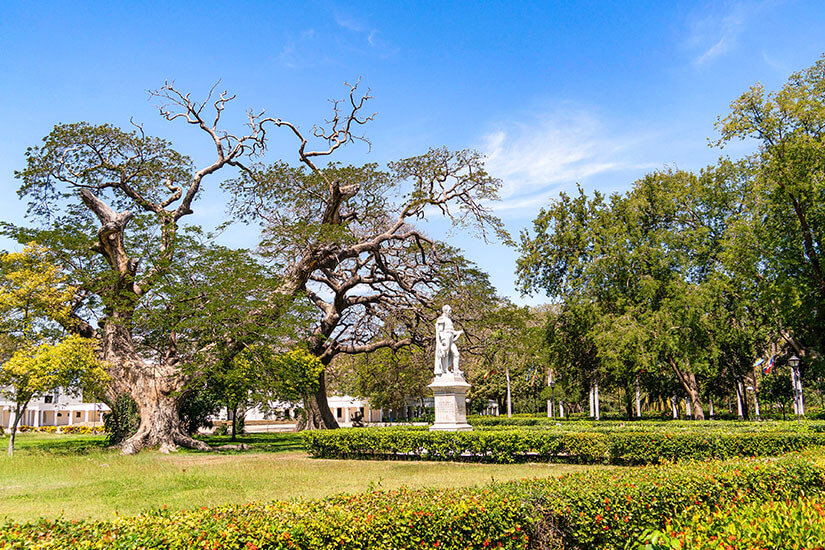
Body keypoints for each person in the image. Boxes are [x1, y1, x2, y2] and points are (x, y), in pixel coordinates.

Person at [434, 305, 463, 376]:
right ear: (445, 310)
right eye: (449, 310)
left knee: (456, 353)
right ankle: (445, 370)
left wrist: (459, 332)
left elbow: (451, 331)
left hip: (451, 339)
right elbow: (440, 331)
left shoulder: (449, 320)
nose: (450, 312)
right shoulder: (441, 319)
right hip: (445, 337)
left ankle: (456, 370)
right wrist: (443, 339)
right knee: (445, 353)